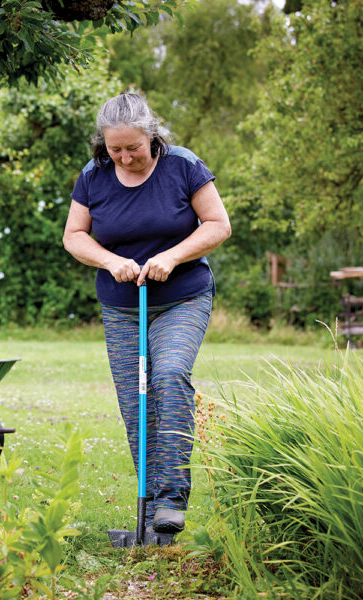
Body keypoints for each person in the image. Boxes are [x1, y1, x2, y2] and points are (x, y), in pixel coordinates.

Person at [62, 93, 231, 533]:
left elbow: (218, 225)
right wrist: (108, 260)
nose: (124, 157)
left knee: (170, 375)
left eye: (132, 148)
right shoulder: (93, 175)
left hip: (182, 298)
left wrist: (172, 257)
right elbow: (75, 235)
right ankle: (153, 510)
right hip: (122, 306)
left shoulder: (183, 166)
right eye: (114, 149)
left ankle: (173, 496)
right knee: (136, 400)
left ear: (151, 135)